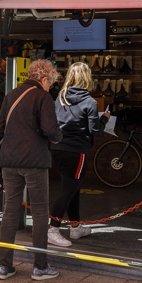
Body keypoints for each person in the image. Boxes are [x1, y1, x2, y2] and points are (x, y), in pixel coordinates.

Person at [0, 59, 63, 281]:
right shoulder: (43, 97)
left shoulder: (12, 95)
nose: (50, 87)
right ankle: (40, 267)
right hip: (34, 161)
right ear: (43, 79)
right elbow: (51, 129)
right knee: (40, 212)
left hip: (9, 161)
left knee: (10, 211)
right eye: (50, 83)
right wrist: (57, 137)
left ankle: (4, 266)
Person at [48, 62, 110, 248]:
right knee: (68, 190)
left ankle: (75, 227)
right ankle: (52, 229)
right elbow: (94, 130)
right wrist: (104, 119)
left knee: (72, 188)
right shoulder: (90, 102)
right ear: (87, 78)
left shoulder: (60, 98)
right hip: (76, 151)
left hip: (58, 149)